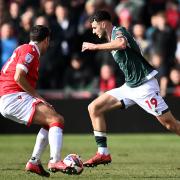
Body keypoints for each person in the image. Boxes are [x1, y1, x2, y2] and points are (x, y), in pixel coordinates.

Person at [81, 10, 180, 167]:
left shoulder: (119, 31)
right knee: (94, 108)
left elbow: (121, 44)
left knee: (170, 124)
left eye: (94, 27)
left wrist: (95, 47)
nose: (93, 31)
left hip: (144, 86)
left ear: (103, 23)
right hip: (129, 86)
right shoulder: (110, 38)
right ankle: (103, 153)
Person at [0, 25, 75, 177]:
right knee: (56, 119)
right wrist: (38, 97)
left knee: (49, 121)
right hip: (13, 97)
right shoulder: (31, 51)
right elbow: (18, 77)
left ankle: (34, 162)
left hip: (9, 97)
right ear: (46, 40)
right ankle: (55, 160)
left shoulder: (24, 48)